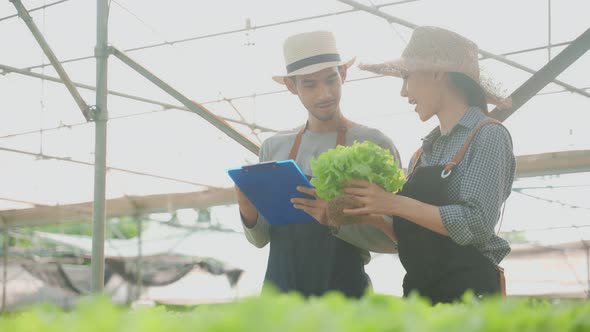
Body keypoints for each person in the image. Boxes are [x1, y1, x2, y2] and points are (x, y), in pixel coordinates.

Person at [341, 26, 515, 303]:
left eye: (407, 77)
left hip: (471, 300)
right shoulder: (423, 153)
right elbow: (417, 238)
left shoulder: (488, 135)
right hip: (421, 298)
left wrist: (392, 203)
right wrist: (374, 214)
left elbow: (475, 224)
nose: (403, 92)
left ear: (437, 73)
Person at [235, 30, 401, 298]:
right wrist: (246, 207)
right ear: (292, 86)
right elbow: (260, 239)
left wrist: (336, 217)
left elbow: (395, 239)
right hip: (281, 294)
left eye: (331, 79)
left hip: (345, 296)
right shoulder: (273, 148)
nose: (324, 93)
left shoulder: (374, 144)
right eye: (310, 84)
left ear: (343, 74)